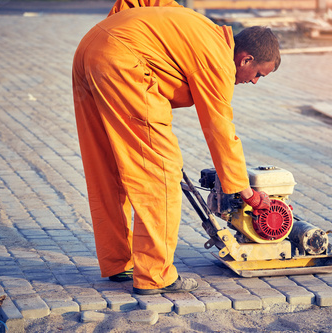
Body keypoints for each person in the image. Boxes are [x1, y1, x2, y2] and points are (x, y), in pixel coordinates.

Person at [72, 0, 281, 295]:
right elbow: (220, 129)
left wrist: (118, 29)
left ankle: (118, 262)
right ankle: (156, 276)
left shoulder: (199, 25)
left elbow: (138, 2)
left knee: (108, 167)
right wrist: (244, 191)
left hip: (90, 48)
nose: (256, 82)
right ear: (245, 59)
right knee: (160, 173)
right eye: (260, 74)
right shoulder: (220, 60)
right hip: (122, 63)